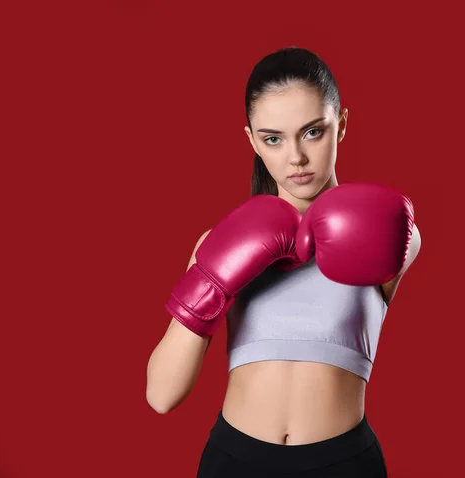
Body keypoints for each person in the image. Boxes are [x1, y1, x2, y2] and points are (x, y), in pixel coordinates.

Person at [146, 46, 422, 477]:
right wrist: (213, 280)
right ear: (252, 140)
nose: (295, 157)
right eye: (273, 138)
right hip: (235, 461)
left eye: (313, 132)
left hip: (343, 463)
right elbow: (161, 395)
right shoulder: (218, 242)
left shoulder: (385, 230)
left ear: (342, 124)